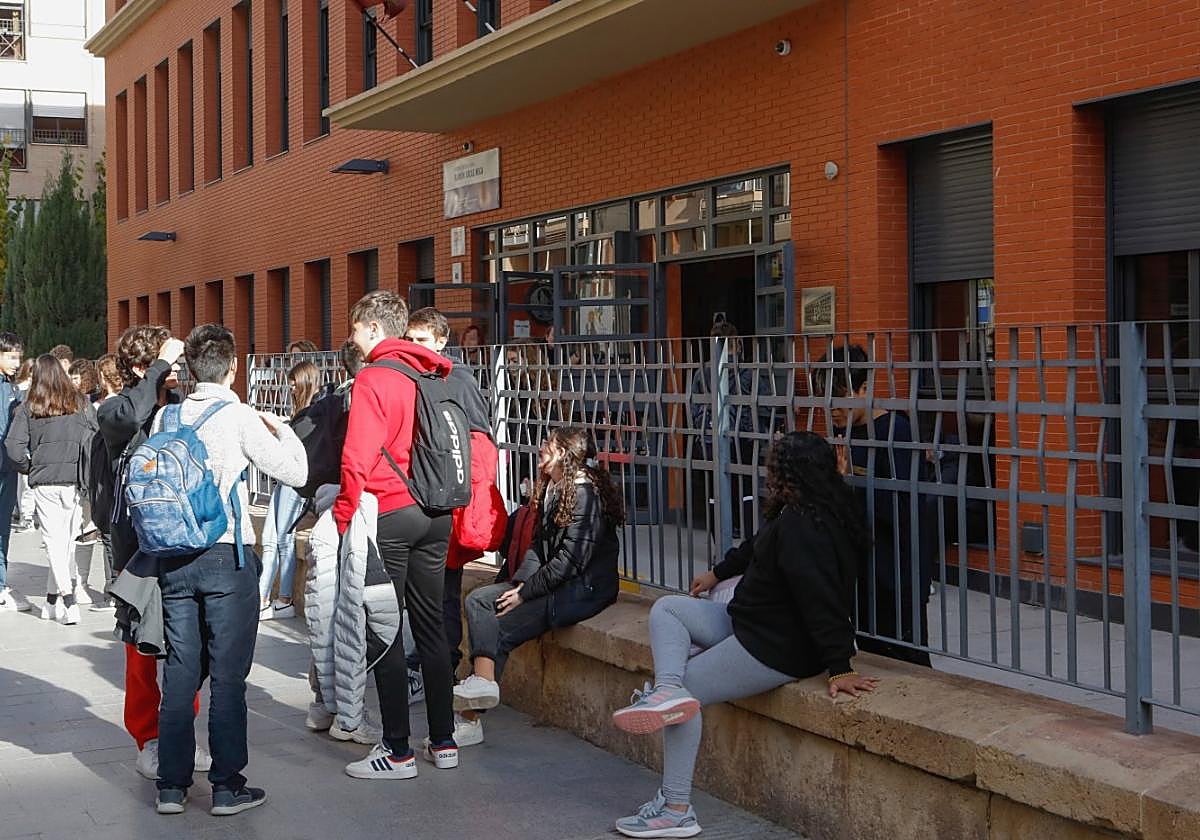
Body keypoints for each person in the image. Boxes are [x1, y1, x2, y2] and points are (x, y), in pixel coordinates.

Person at [610, 432, 878, 838]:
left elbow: (821, 597)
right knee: (669, 610)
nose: (767, 474)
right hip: (749, 623)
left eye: (774, 466)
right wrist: (716, 573)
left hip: (776, 646)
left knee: (689, 693)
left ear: (789, 472)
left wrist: (839, 667)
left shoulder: (806, 528)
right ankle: (664, 690)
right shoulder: (803, 509)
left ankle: (676, 809)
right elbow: (755, 547)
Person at [151, 324, 307, 816]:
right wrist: (282, 428)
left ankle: (171, 787)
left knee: (179, 672)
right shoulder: (240, 417)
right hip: (225, 556)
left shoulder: (165, 417)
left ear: (190, 370)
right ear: (234, 367)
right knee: (228, 676)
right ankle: (226, 786)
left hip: (173, 558)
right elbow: (296, 474)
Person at [335, 290, 460, 781]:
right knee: (430, 627)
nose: (352, 339)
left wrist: (345, 514)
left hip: (390, 512)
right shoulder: (433, 373)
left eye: (355, 329)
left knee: (384, 631)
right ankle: (444, 741)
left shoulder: (374, 378)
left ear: (372, 327)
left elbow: (357, 456)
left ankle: (397, 750)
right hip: (437, 511)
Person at [454, 428, 622, 729]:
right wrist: (519, 584)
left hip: (578, 590)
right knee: (479, 600)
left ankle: (469, 720)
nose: (541, 448)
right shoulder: (554, 488)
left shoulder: (584, 494)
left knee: (500, 628)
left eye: (548, 444)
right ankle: (483, 683)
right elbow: (537, 546)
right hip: (550, 583)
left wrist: (524, 594)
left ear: (564, 454)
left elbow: (569, 562)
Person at [99, 326, 206, 781]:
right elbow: (130, 415)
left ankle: (180, 734)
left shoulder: (181, 408)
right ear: (143, 367)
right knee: (141, 652)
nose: (174, 373)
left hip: (184, 544)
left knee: (188, 648)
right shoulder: (115, 410)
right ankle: (148, 739)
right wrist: (160, 369)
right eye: (165, 365)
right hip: (136, 553)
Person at [404, 307, 506, 747]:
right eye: (412, 339)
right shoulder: (415, 377)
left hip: (448, 502)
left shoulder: (457, 380)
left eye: (423, 340)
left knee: (442, 592)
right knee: (427, 593)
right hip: (426, 496)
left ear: (442, 342)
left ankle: (438, 668)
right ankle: (430, 666)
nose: (416, 348)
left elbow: (478, 446)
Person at [820, 344, 933, 668]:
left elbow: (899, 504)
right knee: (870, 653)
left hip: (897, 566)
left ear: (864, 389)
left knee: (906, 658)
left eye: (840, 398)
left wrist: (844, 488)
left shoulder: (894, 431)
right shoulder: (844, 431)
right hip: (860, 566)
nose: (833, 409)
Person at [5, 354, 96, 626]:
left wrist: (27, 467)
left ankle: (64, 600)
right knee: (64, 543)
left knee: (56, 542)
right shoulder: (80, 403)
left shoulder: (28, 407)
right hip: (74, 481)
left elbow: (13, 447)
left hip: (44, 480)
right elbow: (94, 436)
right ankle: (52, 600)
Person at [258, 360, 321, 620]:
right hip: (285, 479)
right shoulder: (300, 413)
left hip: (295, 481)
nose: (291, 387)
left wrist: (282, 429)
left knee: (283, 539)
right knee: (271, 539)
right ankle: (261, 598)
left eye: (294, 383)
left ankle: (283, 599)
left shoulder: (313, 412)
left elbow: (301, 447)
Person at [89, 353, 123, 611]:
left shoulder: (104, 408)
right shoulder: (128, 406)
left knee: (109, 534)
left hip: (106, 477)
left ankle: (113, 587)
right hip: (120, 477)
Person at [0, 332, 28, 612]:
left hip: (8, 467)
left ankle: (1, 582)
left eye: (18, 357)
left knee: (3, 526)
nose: (16, 362)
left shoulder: (12, 388)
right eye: (10, 356)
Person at [12, 358, 34, 533]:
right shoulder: (21, 392)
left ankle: (27, 517)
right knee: (25, 485)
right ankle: (25, 516)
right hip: (25, 446)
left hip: (30, 446)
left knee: (26, 486)